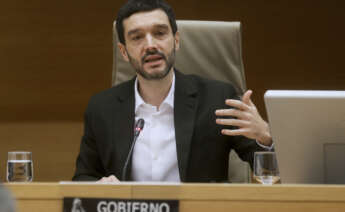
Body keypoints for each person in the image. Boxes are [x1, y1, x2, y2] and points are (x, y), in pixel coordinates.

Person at [73, 0, 272, 183]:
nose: (150, 45)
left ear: (176, 40)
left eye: (160, 33)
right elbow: (83, 178)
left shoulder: (216, 99)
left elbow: (273, 173)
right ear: (124, 51)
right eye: (137, 38)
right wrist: (99, 186)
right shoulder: (102, 108)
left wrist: (265, 137)